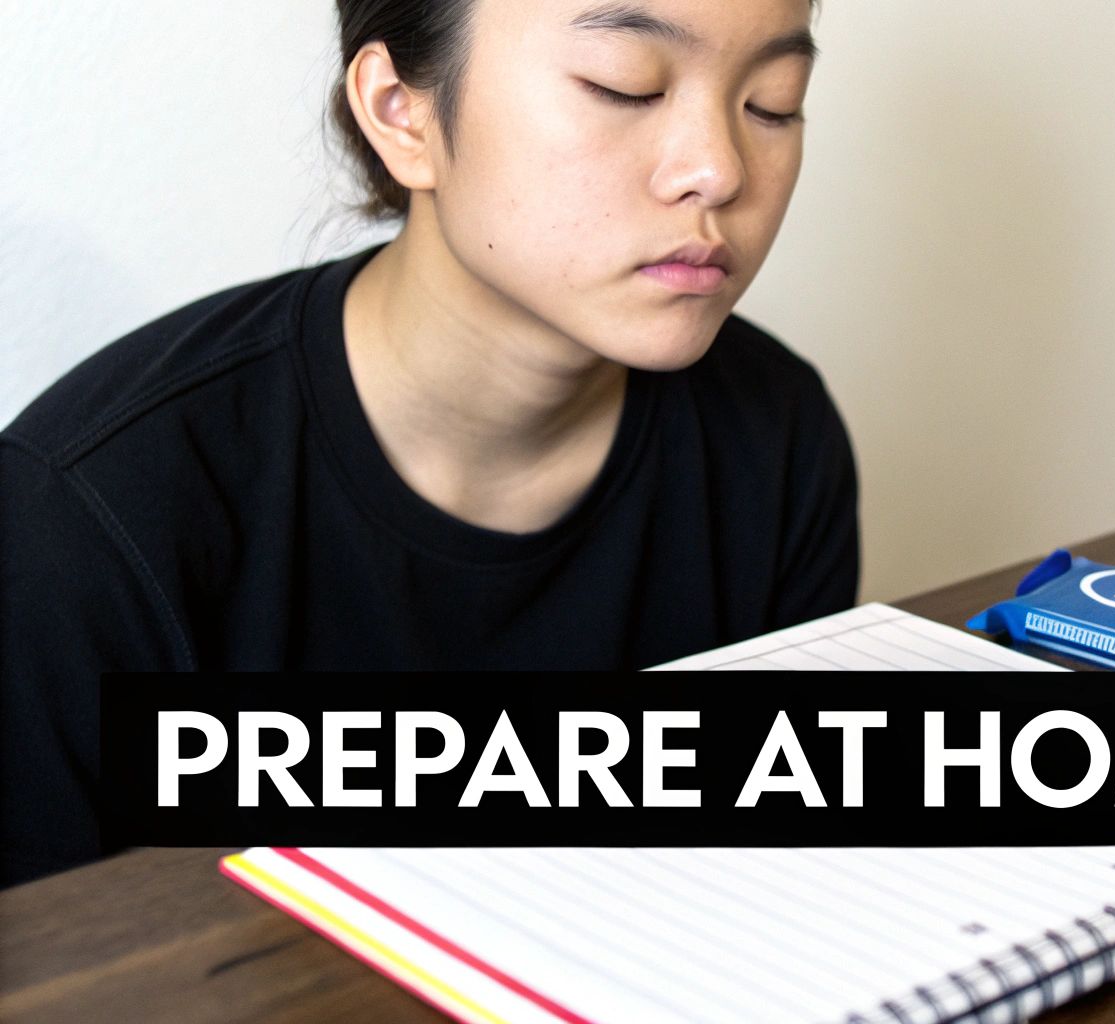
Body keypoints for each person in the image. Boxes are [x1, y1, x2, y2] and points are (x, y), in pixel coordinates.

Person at [0, 0, 856, 887]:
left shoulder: (776, 436)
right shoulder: (84, 518)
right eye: (625, 87)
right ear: (401, 112)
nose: (718, 170)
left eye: (772, 102)